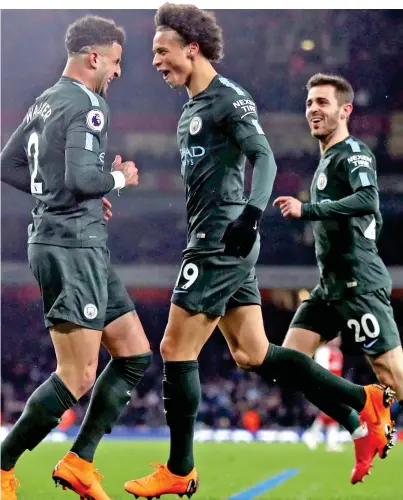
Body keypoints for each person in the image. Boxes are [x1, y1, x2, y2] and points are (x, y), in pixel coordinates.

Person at [124, 5, 395, 498]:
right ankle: (362, 405)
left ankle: (180, 469)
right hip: (215, 240)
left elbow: (264, 156)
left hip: (220, 242)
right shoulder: (189, 109)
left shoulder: (230, 98)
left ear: (192, 47)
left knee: (174, 348)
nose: (156, 61)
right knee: (252, 353)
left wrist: (252, 213)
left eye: (161, 51)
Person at [0, 15, 152, 500]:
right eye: (116, 61)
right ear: (94, 57)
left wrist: (65, 194)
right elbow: (86, 179)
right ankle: (1, 466)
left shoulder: (45, 101)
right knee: (79, 374)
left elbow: (8, 164)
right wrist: (119, 181)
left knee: (133, 354)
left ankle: (79, 461)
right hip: (71, 246)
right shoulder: (89, 104)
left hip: (74, 238)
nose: (118, 72)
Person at [274, 72, 403, 481]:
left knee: (393, 376)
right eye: (310, 102)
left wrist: (306, 210)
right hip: (330, 286)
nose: (313, 109)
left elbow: (368, 199)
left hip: (358, 283)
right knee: (288, 363)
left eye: (323, 102)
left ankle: (373, 412)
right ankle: (359, 425)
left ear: (345, 110)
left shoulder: (354, 152)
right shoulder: (326, 161)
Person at [303, 338, 345, 452]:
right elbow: (321, 372)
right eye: (335, 338)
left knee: (334, 414)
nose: (338, 341)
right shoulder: (323, 352)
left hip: (336, 387)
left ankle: (330, 442)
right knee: (330, 413)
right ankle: (311, 434)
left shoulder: (338, 353)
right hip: (326, 386)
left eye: (338, 338)